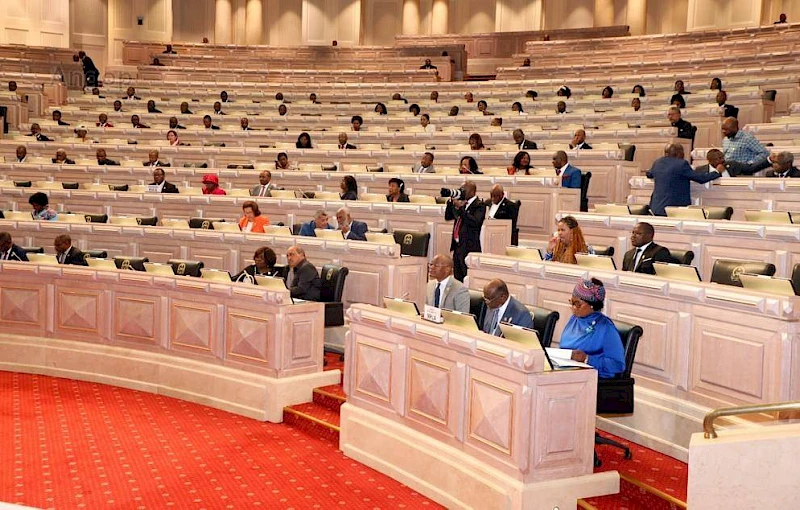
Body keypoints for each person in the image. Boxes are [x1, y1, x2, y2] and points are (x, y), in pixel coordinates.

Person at [560, 279, 625, 377]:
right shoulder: (574, 319)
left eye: (577, 304)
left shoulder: (605, 327)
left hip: (594, 380)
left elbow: (618, 365)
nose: (573, 308)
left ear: (591, 305)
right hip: (569, 373)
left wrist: (587, 359)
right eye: (571, 302)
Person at [646, 143, 721, 216]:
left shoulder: (658, 162)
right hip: (674, 208)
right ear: (678, 153)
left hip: (656, 207)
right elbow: (701, 179)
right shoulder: (681, 164)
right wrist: (717, 172)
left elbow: (649, 174)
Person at [445, 181, 485, 281]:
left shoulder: (479, 205)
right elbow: (448, 216)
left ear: (472, 191)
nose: (461, 192)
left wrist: (461, 208)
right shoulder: (461, 203)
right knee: (457, 278)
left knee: (466, 278)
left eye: (463, 190)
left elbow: (475, 222)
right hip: (458, 247)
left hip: (469, 247)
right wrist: (451, 203)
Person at [695, 149, 769, 177]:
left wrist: (768, 160)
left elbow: (750, 169)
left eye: (723, 157)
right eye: (719, 159)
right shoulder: (699, 171)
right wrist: (717, 171)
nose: (723, 160)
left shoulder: (732, 165)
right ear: (710, 161)